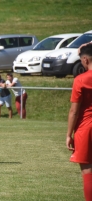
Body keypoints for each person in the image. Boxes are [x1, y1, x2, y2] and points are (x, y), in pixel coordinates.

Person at [66, 42, 92, 201]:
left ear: (85, 60)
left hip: (86, 127)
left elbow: (74, 111)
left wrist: (69, 134)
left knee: (88, 171)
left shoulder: (81, 79)